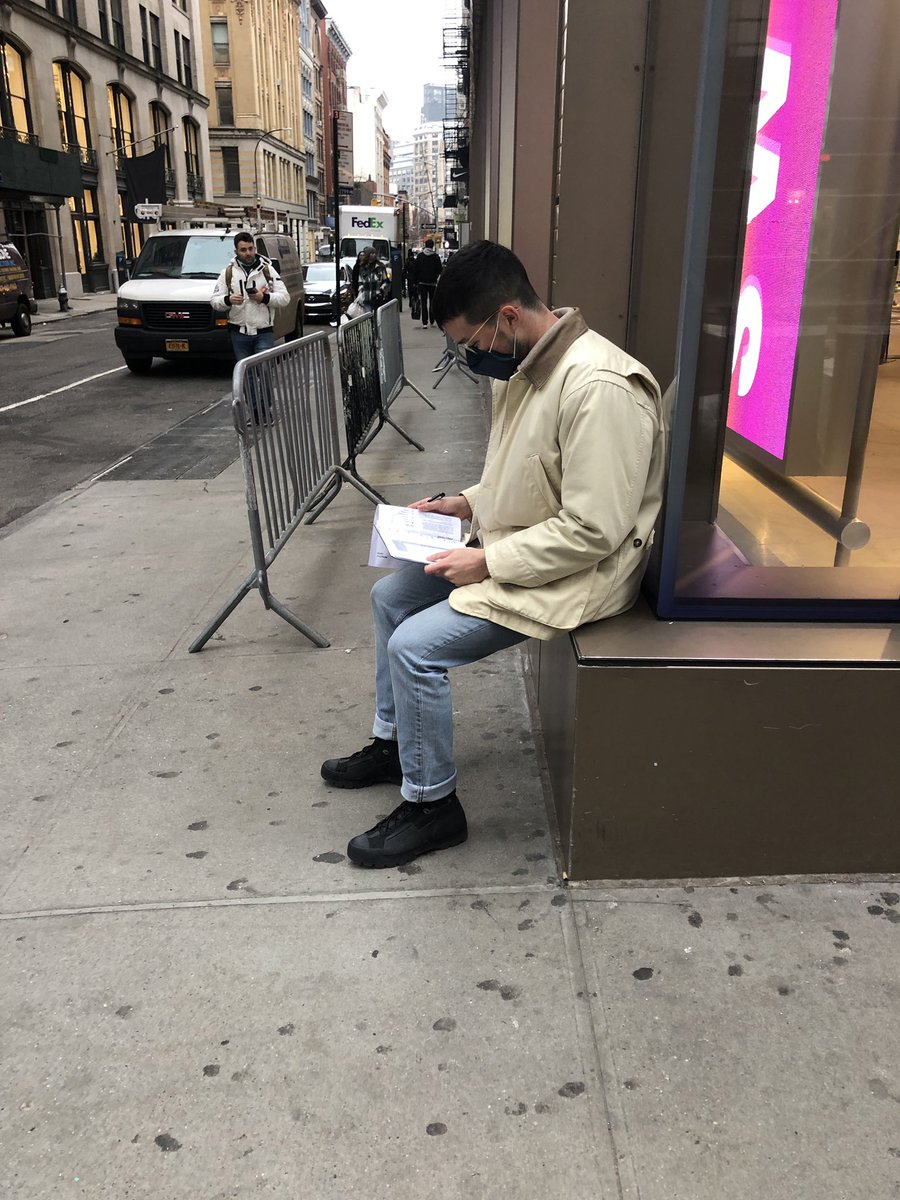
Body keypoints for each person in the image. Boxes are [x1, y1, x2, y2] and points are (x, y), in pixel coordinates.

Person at [320, 239, 667, 869]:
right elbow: (527, 473)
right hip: (520, 546)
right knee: (390, 597)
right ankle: (396, 742)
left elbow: (596, 530)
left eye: (472, 343)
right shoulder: (530, 367)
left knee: (415, 646)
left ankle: (433, 806)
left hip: (580, 571)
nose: (471, 356)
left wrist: (487, 562)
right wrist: (465, 504)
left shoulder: (600, 388)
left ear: (507, 317)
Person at [211, 231, 289, 361]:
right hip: (238, 333)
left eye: (250, 249)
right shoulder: (227, 273)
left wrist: (264, 298)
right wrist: (228, 300)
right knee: (246, 373)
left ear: (255, 249)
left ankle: (264, 382)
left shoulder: (268, 270)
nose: (248, 253)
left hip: (264, 332)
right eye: (243, 250)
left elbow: (285, 298)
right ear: (236, 252)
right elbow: (214, 301)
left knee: (264, 369)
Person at [415, 238, 442, 327]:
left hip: (422, 282)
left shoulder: (420, 256)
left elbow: (416, 269)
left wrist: (417, 280)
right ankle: (432, 318)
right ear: (432, 246)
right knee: (432, 301)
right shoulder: (436, 257)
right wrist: (435, 276)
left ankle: (424, 322)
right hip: (432, 283)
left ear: (425, 245)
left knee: (423, 302)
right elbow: (439, 270)